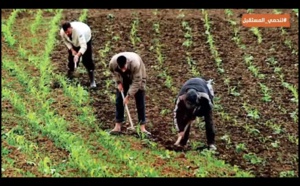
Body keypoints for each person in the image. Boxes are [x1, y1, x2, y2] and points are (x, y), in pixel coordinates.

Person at [108, 52, 151, 135]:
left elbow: (137, 82)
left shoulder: (135, 64)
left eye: (124, 67)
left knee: (140, 100)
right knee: (119, 100)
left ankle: (142, 128)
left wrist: (128, 96)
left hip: (138, 76)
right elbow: (113, 73)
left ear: (126, 63)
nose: (123, 70)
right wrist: (118, 82)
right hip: (122, 77)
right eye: (121, 68)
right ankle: (117, 126)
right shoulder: (113, 63)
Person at [173, 77, 216, 150]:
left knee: (209, 120)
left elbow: (208, 107)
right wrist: (180, 130)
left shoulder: (204, 97)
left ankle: (211, 143)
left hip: (204, 93)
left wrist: (196, 112)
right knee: (185, 118)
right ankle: (183, 142)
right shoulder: (180, 99)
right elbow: (177, 115)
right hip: (191, 86)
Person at [60, 21, 96, 88]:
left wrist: (78, 55)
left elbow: (83, 46)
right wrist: (72, 50)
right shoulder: (62, 32)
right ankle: (70, 76)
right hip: (74, 42)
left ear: (71, 28)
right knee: (71, 59)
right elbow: (65, 41)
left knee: (87, 60)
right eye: (66, 32)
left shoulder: (79, 32)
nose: (67, 34)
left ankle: (92, 81)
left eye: (68, 32)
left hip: (86, 38)